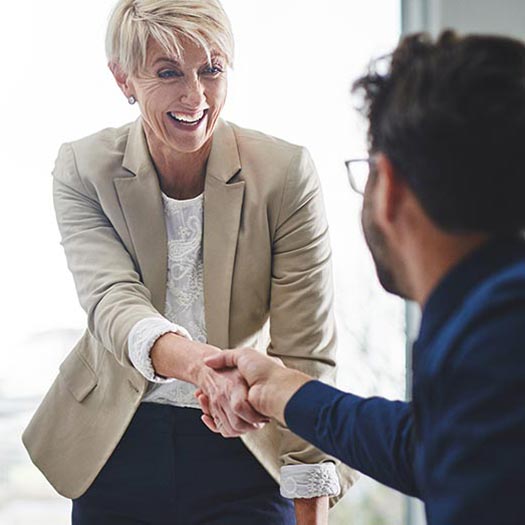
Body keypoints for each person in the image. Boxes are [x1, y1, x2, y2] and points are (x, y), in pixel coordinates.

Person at [21, 1, 355, 523]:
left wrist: (311, 502)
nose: (194, 95)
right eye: (168, 72)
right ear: (123, 78)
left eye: (211, 69)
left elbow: (305, 352)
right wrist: (206, 368)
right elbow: (112, 301)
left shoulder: (284, 174)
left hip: (248, 442)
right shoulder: (84, 168)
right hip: (115, 445)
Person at [201, 31, 525, 525]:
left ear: (388, 185)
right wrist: (286, 389)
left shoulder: (495, 333)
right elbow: (432, 446)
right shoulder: (494, 328)